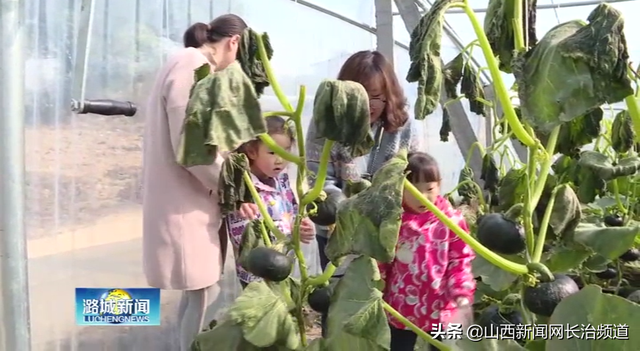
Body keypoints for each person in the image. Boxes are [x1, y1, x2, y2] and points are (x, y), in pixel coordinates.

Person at [142, 14, 248, 351]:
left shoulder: (185, 63)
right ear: (234, 42)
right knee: (202, 290)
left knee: (200, 292)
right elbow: (191, 146)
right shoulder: (191, 64)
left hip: (189, 199)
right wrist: (232, 186)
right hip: (184, 202)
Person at [305, 50, 423, 335]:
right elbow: (318, 179)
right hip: (338, 233)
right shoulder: (326, 124)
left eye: (377, 96)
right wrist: (350, 216)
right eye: (361, 95)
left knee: (387, 310)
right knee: (341, 311)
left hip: (389, 235)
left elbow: (414, 173)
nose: (370, 104)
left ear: (389, 94)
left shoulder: (403, 126)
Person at [379, 152, 476, 351]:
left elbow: (460, 261)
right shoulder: (394, 222)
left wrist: (462, 294)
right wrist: (376, 287)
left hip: (441, 308)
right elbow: (382, 260)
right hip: (402, 307)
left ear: (439, 185)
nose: (422, 197)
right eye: (413, 190)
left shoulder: (452, 221)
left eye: (429, 189)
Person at [225, 116, 320, 287]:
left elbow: (293, 212)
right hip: (257, 276)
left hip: (284, 267)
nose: (280, 160)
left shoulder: (282, 180)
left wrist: (301, 228)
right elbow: (243, 238)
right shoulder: (243, 189)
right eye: (272, 152)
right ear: (252, 151)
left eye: (285, 151)